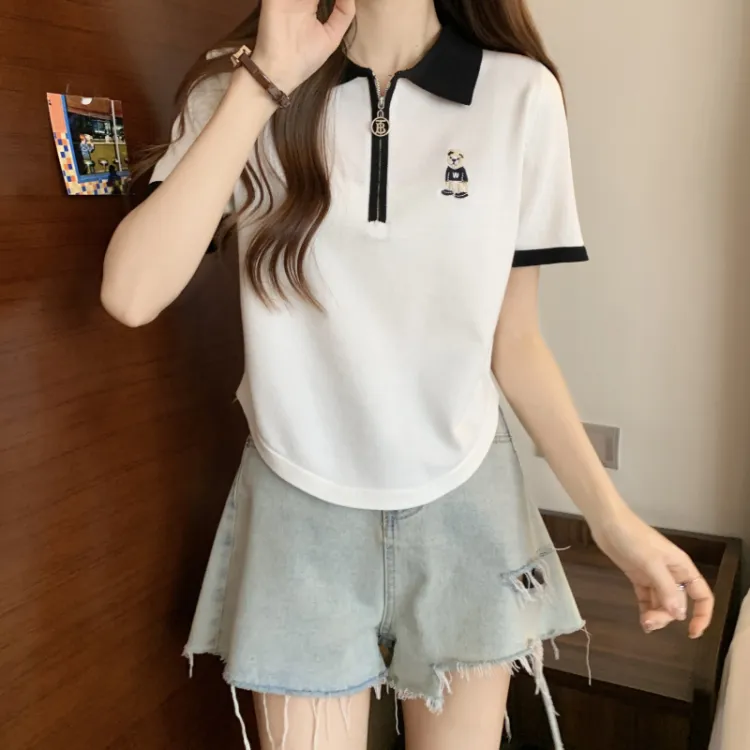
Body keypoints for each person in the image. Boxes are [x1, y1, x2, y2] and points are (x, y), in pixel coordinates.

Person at [101, 2, 716, 749]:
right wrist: (265, 83)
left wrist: (612, 522)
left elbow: (516, 343)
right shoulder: (238, 88)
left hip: (466, 496)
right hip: (297, 502)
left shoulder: (520, 95)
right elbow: (130, 294)